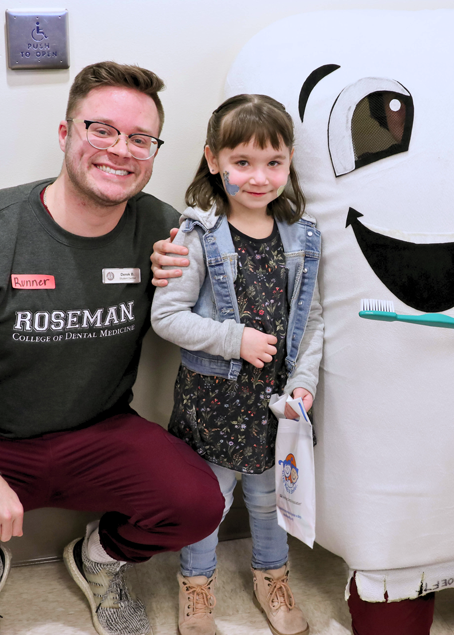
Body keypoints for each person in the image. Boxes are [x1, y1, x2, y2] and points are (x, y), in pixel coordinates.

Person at [0, 61, 223, 635]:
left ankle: (98, 562)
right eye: (101, 130)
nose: (120, 151)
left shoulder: (163, 229)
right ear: (66, 135)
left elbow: (232, 275)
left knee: (198, 503)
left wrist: (193, 277)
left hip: (101, 430)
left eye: (140, 139)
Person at [150, 94, 323, 635]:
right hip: (214, 402)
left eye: (273, 163)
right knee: (208, 500)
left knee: (270, 499)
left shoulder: (303, 236)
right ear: (213, 160)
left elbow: (312, 319)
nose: (258, 177)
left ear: (290, 161)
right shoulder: (197, 235)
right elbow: (168, 316)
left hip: (274, 405)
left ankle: (272, 575)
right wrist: (237, 338)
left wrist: (304, 382)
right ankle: (196, 585)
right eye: (242, 163)